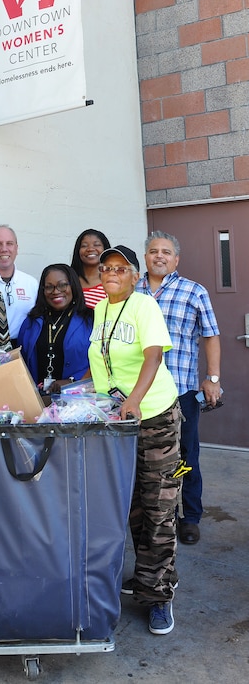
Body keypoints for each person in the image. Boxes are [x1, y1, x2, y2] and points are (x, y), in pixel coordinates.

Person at [88, 245, 181, 636]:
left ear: (134, 275)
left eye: (121, 268)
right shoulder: (101, 309)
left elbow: (153, 356)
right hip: (120, 422)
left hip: (155, 416)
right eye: (106, 267)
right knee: (133, 508)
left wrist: (133, 401)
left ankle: (159, 595)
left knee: (159, 506)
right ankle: (146, 576)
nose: (111, 273)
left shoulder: (144, 305)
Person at [136, 231, 221, 545]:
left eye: (166, 252)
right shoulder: (133, 292)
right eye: (154, 251)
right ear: (145, 257)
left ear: (176, 259)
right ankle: (161, 515)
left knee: (186, 456)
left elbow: (211, 336)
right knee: (148, 458)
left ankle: (191, 516)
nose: (160, 256)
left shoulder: (193, 291)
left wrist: (213, 379)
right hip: (140, 393)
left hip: (181, 390)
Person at [18, 264, 92, 392]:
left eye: (62, 285)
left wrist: (73, 381)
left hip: (77, 398)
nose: (56, 291)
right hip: (38, 398)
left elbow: (101, 362)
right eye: (49, 287)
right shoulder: (32, 321)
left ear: (73, 285)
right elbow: (21, 362)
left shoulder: (91, 319)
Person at [0, 224, 38, 346]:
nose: (4, 249)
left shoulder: (30, 283)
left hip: (23, 348)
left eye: (9, 243)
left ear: (16, 248)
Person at [70, 228, 111, 308]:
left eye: (96, 245)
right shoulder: (70, 280)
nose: (90, 249)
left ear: (105, 249)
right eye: (84, 246)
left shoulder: (113, 279)